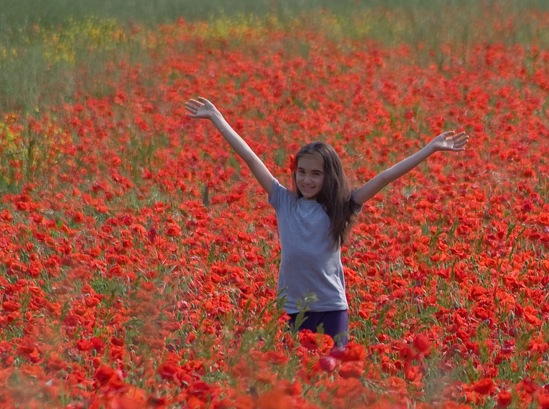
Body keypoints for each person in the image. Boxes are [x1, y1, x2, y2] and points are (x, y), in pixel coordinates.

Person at [184, 97, 469, 349]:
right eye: (302, 172)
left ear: (328, 176)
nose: (307, 180)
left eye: (316, 174)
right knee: (296, 376)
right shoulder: (284, 201)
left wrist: (430, 149)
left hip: (331, 308)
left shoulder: (342, 208)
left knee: (331, 375)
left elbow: (385, 177)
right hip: (293, 308)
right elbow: (249, 157)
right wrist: (218, 119)